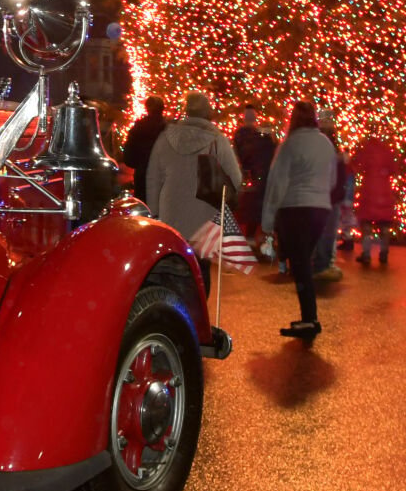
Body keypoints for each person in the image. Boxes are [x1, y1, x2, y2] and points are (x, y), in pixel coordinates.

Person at [262, 100, 340, 338]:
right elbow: (332, 178)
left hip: (295, 207)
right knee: (304, 261)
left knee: (301, 265)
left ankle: (310, 319)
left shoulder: (290, 144)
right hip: (320, 208)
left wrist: (268, 221)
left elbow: (277, 183)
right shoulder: (326, 144)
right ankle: (309, 316)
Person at [146, 91, 243, 239]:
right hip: (205, 212)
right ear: (207, 112)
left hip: (171, 208)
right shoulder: (217, 140)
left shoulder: (165, 138)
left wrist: (154, 212)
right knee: (200, 259)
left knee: (176, 254)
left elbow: (153, 179)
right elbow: (235, 178)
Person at [352, 131, 405, 267]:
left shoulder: (366, 149)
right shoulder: (386, 150)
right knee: (384, 225)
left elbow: (357, 166)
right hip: (384, 189)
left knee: (366, 224)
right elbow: (394, 169)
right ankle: (384, 252)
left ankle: (366, 254)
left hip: (369, 189)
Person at [311, 111, 353, 281]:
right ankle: (321, 265)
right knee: (325, 231)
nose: (329, 124)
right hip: (326, 193)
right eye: (325, 120)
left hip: (331, 194)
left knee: (328, 231)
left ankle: (324, 263)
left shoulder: (327, 141)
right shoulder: (321, 142)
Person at [231, 105, 277, 238]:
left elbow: (238, 156)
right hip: (263, 180)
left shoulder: (240, 135)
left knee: (248, 210)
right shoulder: (264, 137)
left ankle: (250, 238)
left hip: (249, 179)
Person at [121, 97, 168, 203]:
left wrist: (139, 163)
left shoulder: (139, 127)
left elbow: (129, 156)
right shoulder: (170, 128)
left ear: (147, 108)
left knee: (144, 206)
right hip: (165, 175)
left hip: (144, 173)